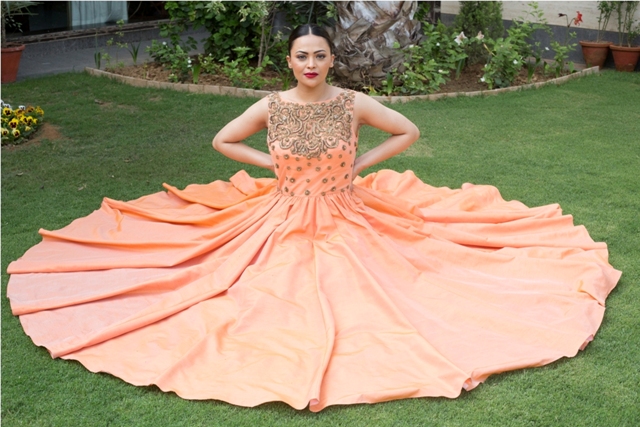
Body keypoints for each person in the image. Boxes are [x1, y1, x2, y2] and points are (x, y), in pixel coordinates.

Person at [6, 24, 620, 412]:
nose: (310, 64)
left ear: (331, 61)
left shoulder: (352, 103)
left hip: (348, 210)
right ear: (291, 61)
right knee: (243, 283)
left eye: (319, 56)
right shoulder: (271, 105)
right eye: (301, 56)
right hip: (282, 209)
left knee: (390, 287)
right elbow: (223, 141)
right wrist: (269, 164)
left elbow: (407, 130)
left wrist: (361, 164)